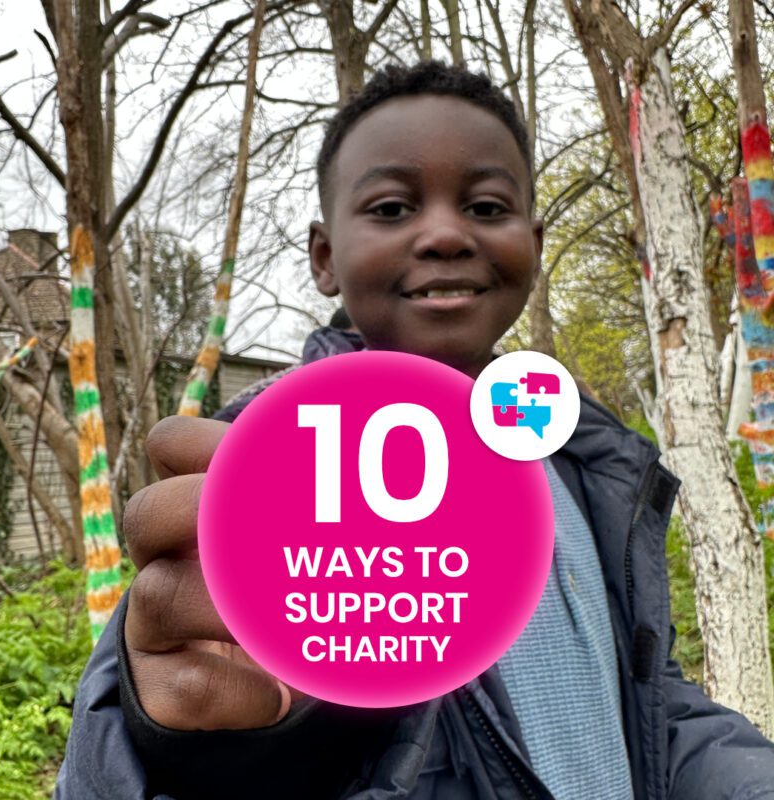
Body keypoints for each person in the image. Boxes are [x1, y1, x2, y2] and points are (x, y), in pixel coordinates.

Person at [55, 61, 774, 799]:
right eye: (394, 208)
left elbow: (641, 709)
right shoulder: (268, 466)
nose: (444, 234)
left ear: (534, 237)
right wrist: (198, 737)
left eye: (488, 206)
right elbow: (116, 765)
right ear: (325, 257)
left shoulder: (578, 458)